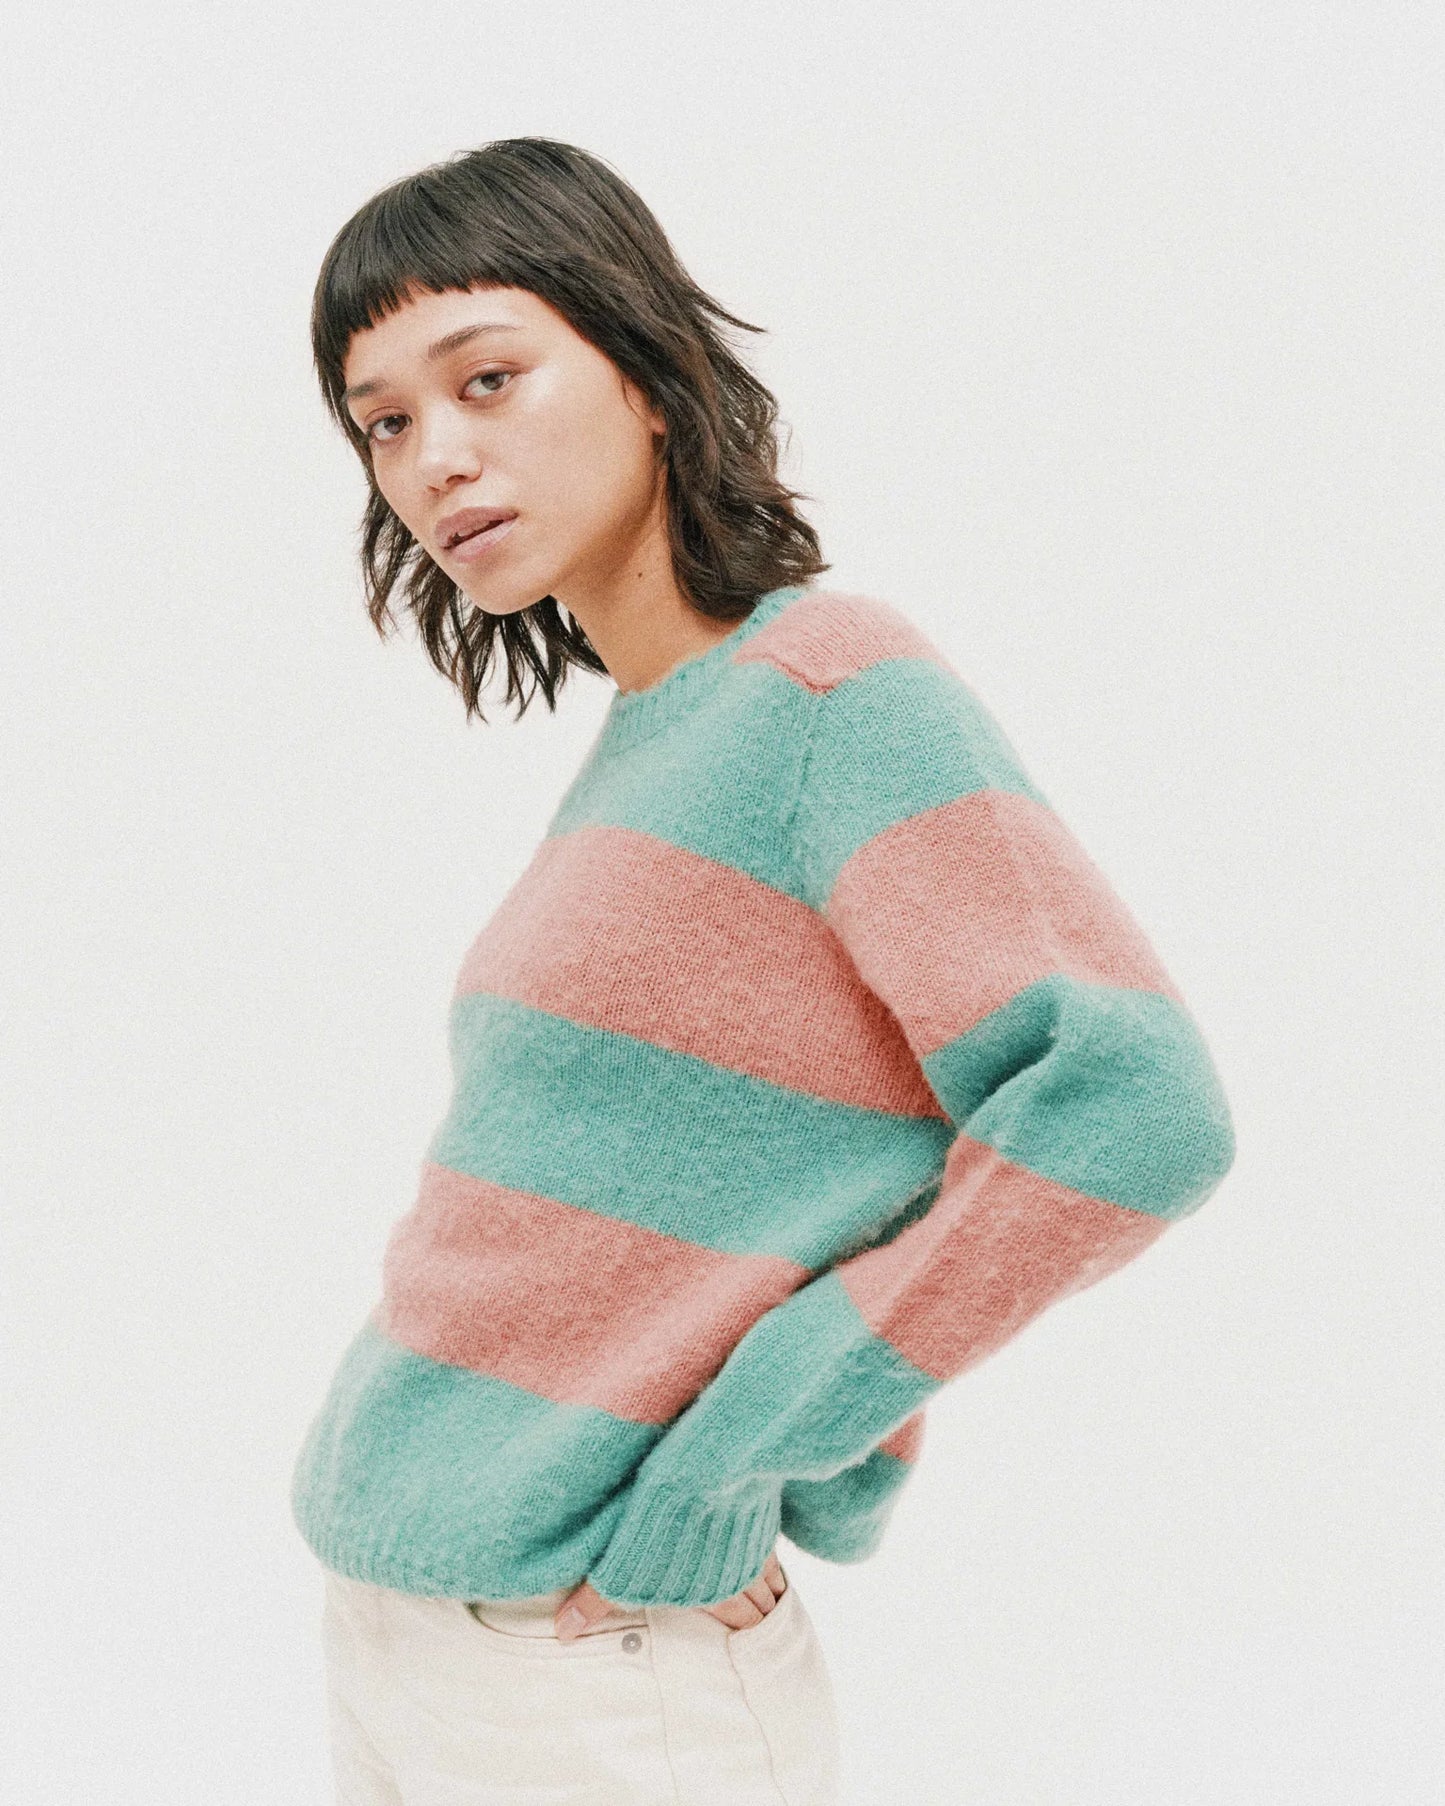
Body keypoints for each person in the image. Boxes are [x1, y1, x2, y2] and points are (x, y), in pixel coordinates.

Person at [290, 136, 1236, 1806]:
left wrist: (751, 1445)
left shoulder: (826, 686)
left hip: (597, 1669)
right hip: (416, 1624)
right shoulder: (660, 734)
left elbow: (1133, 1107)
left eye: (486, 378)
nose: (436, 456)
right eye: (383, 421)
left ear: (644, 369)